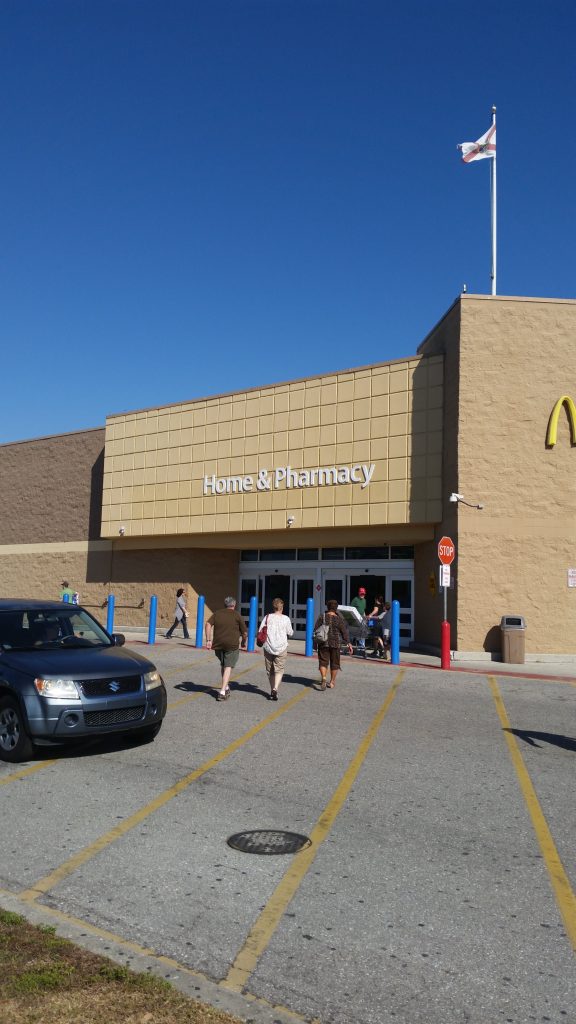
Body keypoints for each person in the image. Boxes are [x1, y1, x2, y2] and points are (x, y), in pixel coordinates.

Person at [205, 597, 247, 701]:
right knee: (228, 667)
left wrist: (208, 640)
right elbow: (244, 633)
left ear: (225, 604)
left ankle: (226, 686)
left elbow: (208, 624)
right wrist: (243, 642)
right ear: (234, 605)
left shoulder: (217, 613)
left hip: (218, 645)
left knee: (223, 665)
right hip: (232, 645)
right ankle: (222, 691)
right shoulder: (237, 615)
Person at [259, 598, 293, 701]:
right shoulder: (286, 619)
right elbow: (290, 632)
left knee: (270, 670)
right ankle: (275, 688)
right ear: (282, 608)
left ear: (273, 607)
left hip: (268, 646)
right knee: (279, 669)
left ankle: (272, 689)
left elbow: (260, 630)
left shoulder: (267, 617)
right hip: (281, 647)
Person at [314, 599, 353, 690]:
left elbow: (315, 629)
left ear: (328, 607)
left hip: (323, 643)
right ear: (336, 608)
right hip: (336, 644)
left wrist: (314, 642)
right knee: (335, 663)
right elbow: (344, 632)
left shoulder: (322, 616)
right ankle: (332, 682)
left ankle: (324, 678)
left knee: (323, 662)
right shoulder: (339, 619)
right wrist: (349, 643)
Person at [351, 585, 368, 653]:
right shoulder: (355, 600)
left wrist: (365, 617)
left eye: (363, 594)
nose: (362, 595)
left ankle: (362, 646)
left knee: (363, 631)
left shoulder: (364, 600)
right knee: (356, 633)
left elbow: (363, 610)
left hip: (362, 618)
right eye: (361, 593)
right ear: (359, 593)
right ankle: (353, 645)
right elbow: (351, 609)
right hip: (356, 618)